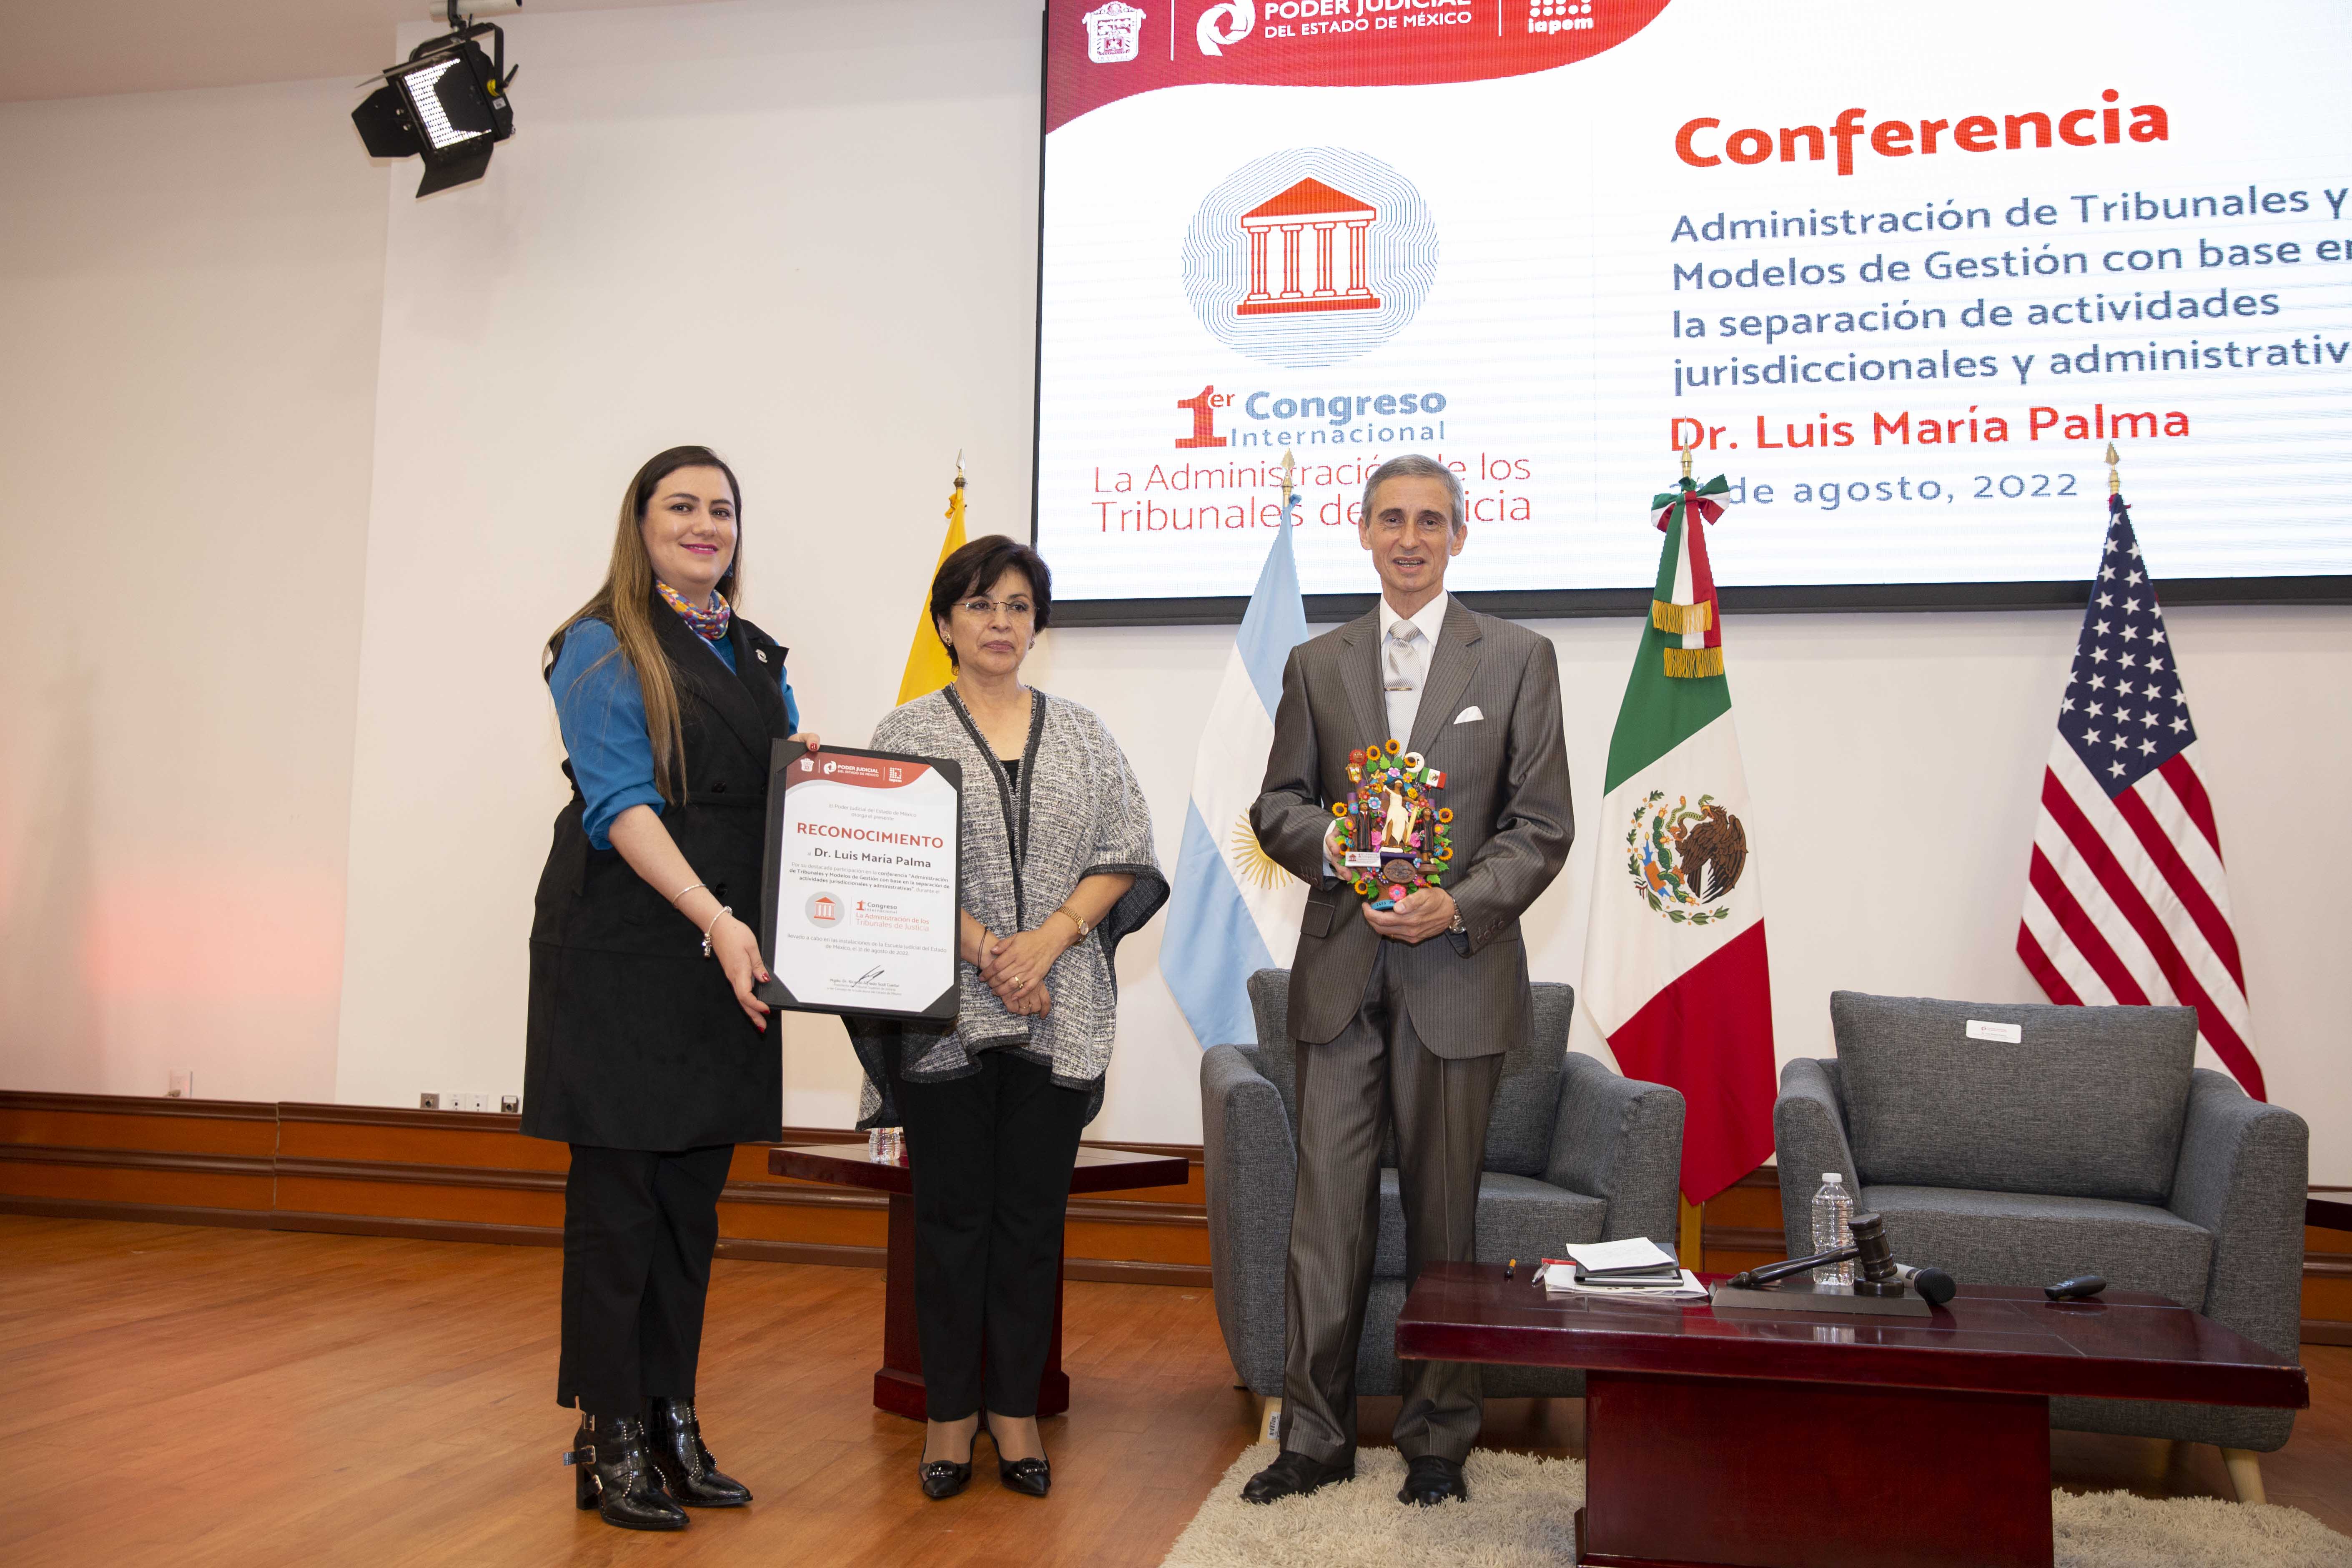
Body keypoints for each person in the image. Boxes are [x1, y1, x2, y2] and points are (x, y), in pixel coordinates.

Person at [1242, 453, 1574, 1508]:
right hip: (1340, 978)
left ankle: (1437, 1439)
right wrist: (1338, 846)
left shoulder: (1518, 657)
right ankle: (1313, 1438)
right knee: (1324, 1219)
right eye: (1390, 518)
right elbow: (1277, 806)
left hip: (1457, 973)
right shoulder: (1315, 661)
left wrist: (1458, 901)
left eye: (1430, 520)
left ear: (1460, 536)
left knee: (1446, 1220)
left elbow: (1541, 825)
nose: (1409, 538)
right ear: (1364, 532)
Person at [523, 445, 818, 1531]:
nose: (705, 524)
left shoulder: (754, 650)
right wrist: (716, 917)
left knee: (692, 1205)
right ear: (639, 524)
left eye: (722, 509)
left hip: (730, 953)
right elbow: (621, 805)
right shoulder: (599, 645)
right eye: (680, 506)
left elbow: (782, 792)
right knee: (620, 1209)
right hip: (629, 949)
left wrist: (824, 783)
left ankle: (669, 1416)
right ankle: (607, 1432)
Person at [846, 535, 1166, 1503]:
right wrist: (990, 948)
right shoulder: (902, 734)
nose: (1001, 623)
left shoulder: (1082, 732)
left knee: (1030, 1223)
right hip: (943, 1017)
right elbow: (882, 868)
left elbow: (1128, 853)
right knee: (949, 1222)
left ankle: (1017, 1413)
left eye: (1019, 606)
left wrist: (1051, 939)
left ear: (1038, 623)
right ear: (946, 622)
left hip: (1059, 1010)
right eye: (981, 605)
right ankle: (950, 1415)